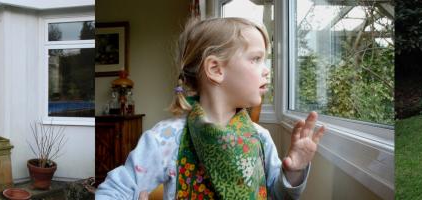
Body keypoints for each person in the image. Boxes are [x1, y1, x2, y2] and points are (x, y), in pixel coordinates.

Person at [95, 17, 325, 199]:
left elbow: (279, 195)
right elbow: (112, 191)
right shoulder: (165, 139)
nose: (266, 70)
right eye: (256, 59)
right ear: (215, 69)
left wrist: (294, 171)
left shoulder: (260, 138)